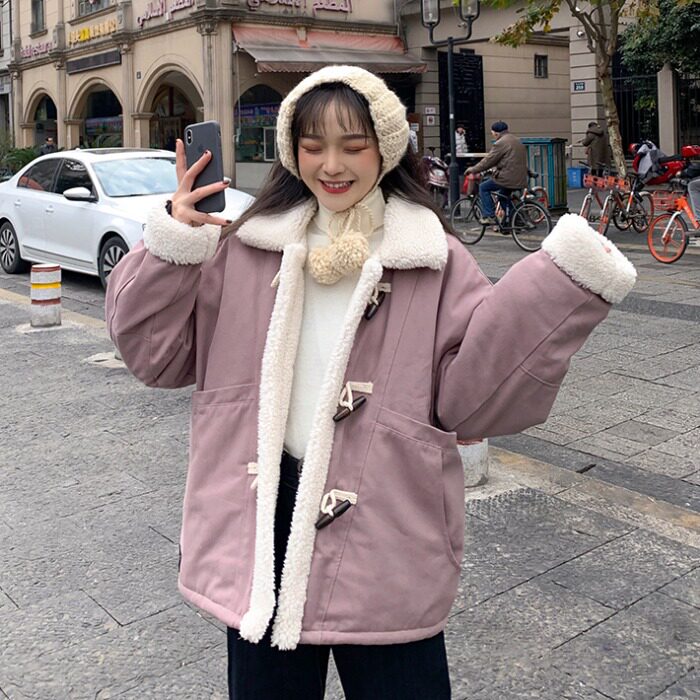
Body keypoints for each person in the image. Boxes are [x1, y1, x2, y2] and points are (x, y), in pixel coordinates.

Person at [105, 66, 636, 700]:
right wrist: (175, 241)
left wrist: (560, 285)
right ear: (291, 150)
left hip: (385, 524)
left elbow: (471, 403)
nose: (332, 165)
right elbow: (157, 359)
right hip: (259, 514)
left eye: (353, 146)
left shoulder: (431, 256)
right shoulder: (245, 246)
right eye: (313, 146)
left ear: (384, 147)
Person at [466, 121, 528, 225]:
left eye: (492, 133)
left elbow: (488, 161)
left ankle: (489, 216)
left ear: (496, 133)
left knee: (483, 187)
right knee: (502, 196)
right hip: (520, 178)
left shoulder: (501, 143)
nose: (493, 135)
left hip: (507, 178)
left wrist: (473, 169)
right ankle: (516, 220)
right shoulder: (517, 140)